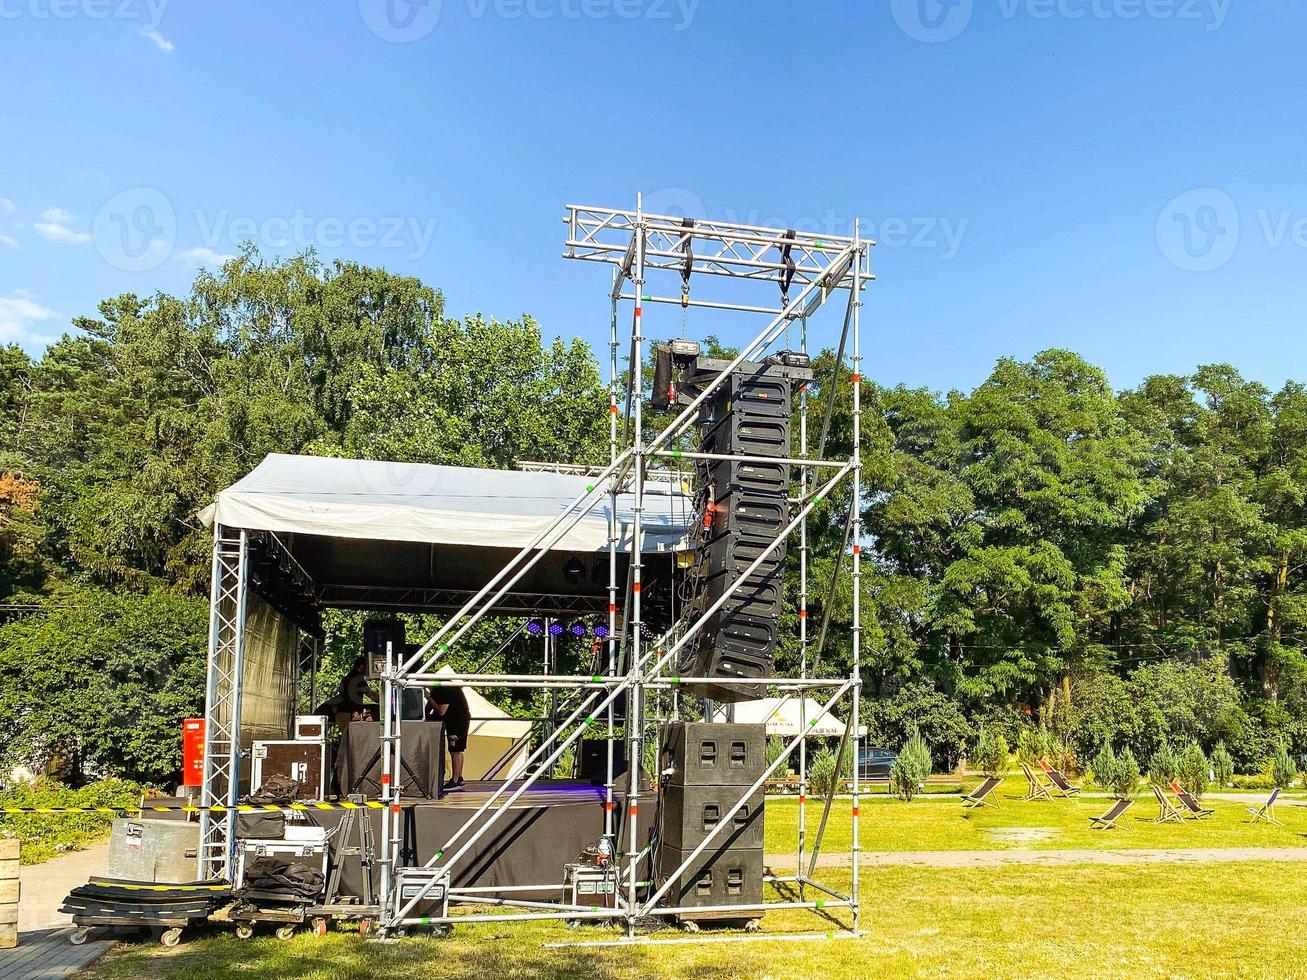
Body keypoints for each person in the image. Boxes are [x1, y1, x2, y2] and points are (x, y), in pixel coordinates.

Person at [426, 684, 471, 791]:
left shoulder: (444, 689)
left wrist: (428, 697)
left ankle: (455, 780)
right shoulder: (438, 689)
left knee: (456, 750)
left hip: (457, 721)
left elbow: (441, 711)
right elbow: (430, 707)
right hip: (454, 720)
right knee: (455, 750)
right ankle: (458, 777)